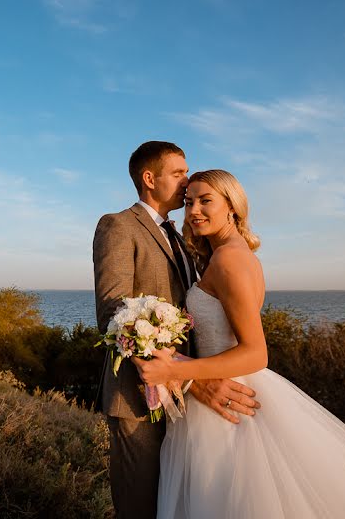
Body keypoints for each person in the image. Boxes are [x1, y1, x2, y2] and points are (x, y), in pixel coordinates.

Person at [133, 170, 345, 519]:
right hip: (220, 387)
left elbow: (256, 352)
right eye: (189, 201)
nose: (194, 210)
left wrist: (178, 370)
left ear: (233, 207)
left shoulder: (229, 260)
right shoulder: (226, 254)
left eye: (206, 200)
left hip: (226, 396)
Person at [93, 143, 261, 519]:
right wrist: (188, 380)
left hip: (189, 400)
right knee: (142, 507)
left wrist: (187, 377)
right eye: (179, 173)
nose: (187, 182)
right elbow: (114, 315)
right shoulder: (118, 226)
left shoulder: (185, 240)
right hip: (138, 398)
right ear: (149, 179)